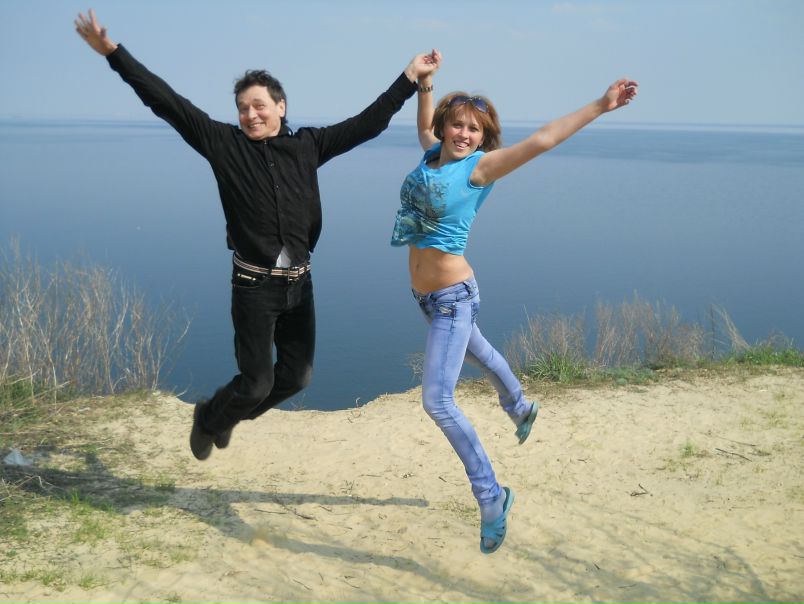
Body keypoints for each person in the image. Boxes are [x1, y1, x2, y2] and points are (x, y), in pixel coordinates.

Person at [74, 9, 441, 461]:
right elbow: (164, 100)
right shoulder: (223, 145)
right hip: (253, 287)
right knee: (255, 383)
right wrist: (113, 52)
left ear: (280, 107)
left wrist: (410, 77)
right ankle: (210, 417)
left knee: (298, 378)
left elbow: (369, 123)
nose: (250, 115)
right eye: (243, 108)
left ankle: (225, 415)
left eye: (259, 106)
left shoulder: (307, 145)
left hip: (300, 285)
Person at [392, 57, 638, 554]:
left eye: (474, 129)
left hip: (453, 298)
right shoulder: (431, 154)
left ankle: (491, 497)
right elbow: (422, 126)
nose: (464, 134)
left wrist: (601, 104)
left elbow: (543, 140)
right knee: (478, 352)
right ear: (444, 127)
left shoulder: (479, 170)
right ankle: (520, 407)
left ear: (484, 138)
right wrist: (426, 85)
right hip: (428, 297)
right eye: (457, 125)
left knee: (437, 401)